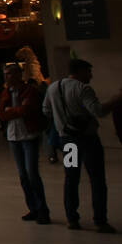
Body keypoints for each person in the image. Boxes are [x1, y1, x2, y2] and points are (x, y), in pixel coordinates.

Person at [43, 58, 119, 233]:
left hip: (68, 141)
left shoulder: (53, 87)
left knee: (71, 178)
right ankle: (100, 220)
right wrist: (115, 100)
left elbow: (46, 110)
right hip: (87, 140)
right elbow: (98, 111)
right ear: (80, 71)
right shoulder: (83, 88)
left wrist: (62, 119)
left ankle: (72, 218)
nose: (91, 76)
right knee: (97, 178)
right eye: (89, 72)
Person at [0, 61, 50, 225]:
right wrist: (14, 112)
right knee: (23, 176)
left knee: (32, 173)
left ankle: (42, 210)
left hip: (29, 136)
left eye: (9, 74)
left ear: (18, 75)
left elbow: (26, 110)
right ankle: (33, 208)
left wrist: (11, 112)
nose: (7, 77)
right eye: (5, 74)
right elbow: (1, 114)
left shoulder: (29, 91)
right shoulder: (6, 92)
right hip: (14, 137)